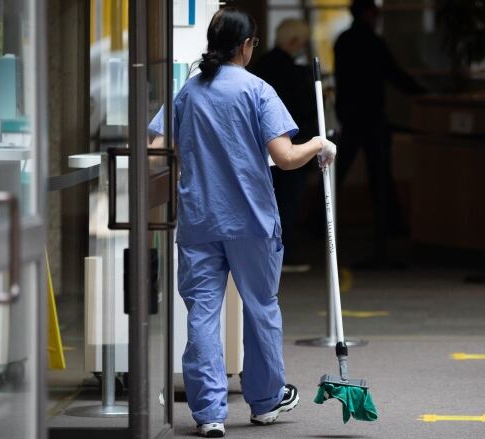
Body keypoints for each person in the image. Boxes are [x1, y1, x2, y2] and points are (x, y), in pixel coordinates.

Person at [151, 8, 336, 438]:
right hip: (252, 220)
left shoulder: (189, 92)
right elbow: (287, 159)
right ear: (247, 45)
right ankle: (266, 400)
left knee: (202, 313)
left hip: (199, 220)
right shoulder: (258, 90)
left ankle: (209, 412)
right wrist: (320, 143)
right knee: (261, 308)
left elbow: (157, 148)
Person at [334, 0, 424, 263]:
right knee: (381, 172)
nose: (378, 18)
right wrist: (421, 93)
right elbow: (393, 73)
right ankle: (389, 224)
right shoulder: (373, 42)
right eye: (375, 13)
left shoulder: (344, 41)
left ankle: (319, 222)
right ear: (367, 14)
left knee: (339, 170)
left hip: (350, 114)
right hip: (371, 115)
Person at [251, 19, 317, 272]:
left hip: (262, 147)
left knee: (272, 200)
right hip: (290, 143)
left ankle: (271, 252)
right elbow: (304, 108)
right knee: (287, 202)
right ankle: (282, 254)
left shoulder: (261, 66)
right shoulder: (291, 71)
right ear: (293, 42)